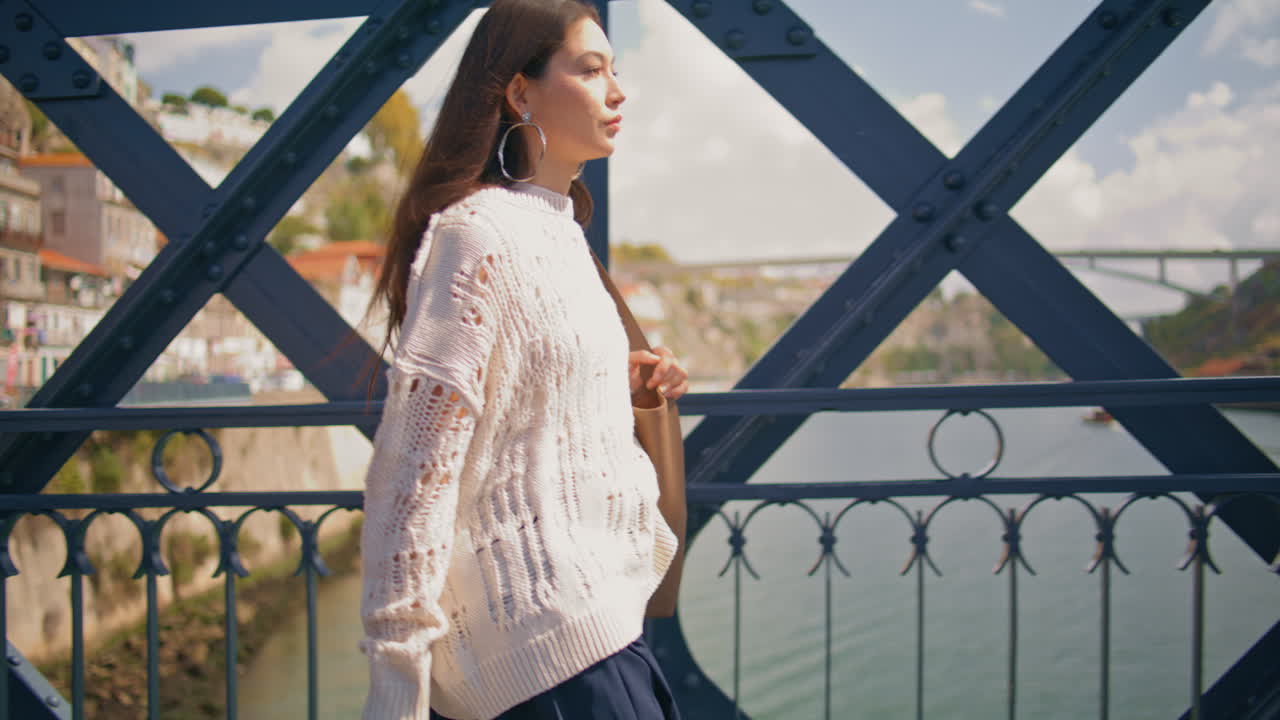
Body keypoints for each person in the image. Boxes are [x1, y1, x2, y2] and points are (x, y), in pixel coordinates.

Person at [358, 1, 689, 718]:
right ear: (520, 91)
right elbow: (413, 479)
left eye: (615, 69)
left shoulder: (560, 229)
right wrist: (397, 688)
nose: (617, 90)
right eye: (590, 69)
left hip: (602, 626)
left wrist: (625, 381)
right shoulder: (475, 237)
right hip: (550, 665)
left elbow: (532, 400)